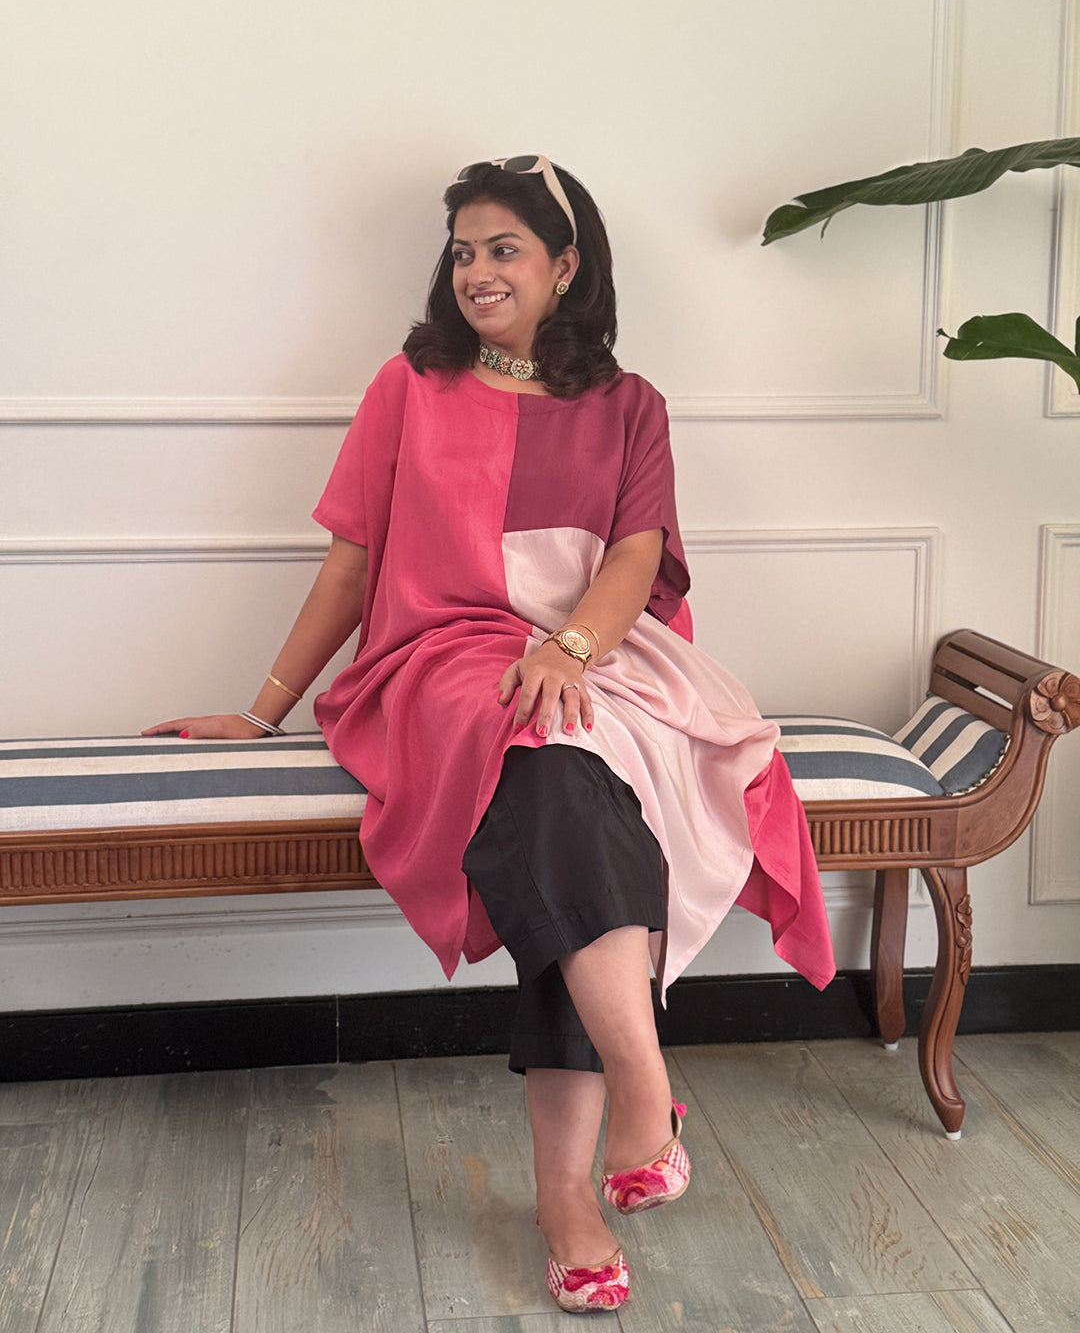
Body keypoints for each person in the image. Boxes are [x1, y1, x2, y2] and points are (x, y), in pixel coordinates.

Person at [144, 154, 835, 1314]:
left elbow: (629, 560)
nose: (475, 271)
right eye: (463, 251)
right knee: (545, 763)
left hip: (593, 658)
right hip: (436, 660)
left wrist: (568, 652)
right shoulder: (409, 388)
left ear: (567, 265)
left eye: (503, 248)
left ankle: (579, 1183)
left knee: (578, 811)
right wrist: (263, 708)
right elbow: (355, 563)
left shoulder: (631, 407)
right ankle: (640, 1088)